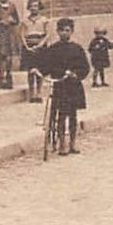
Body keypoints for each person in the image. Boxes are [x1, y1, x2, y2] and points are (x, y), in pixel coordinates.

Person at [33, 18, 90, 154]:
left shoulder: (77, 49)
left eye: (67, 30)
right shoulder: (53, 49)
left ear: (71, 32)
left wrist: (76, 74)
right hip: (59, 85)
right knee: (61, 115)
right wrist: (38, 70)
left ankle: (72, 143)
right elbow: (46, 64)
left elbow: (85, 67)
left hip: (73, 87)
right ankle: (62, 144)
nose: (64, 33)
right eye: (62, 30)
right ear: (57, 32)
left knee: (73, 115)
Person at [20, 0, 49, 103]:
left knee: (40, 70)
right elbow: (22, 34)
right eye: (31, 6)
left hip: (40, 47)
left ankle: (39, 93)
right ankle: (32, 93)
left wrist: (41, 44)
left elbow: (48, 34)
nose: (34, 8)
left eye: (36, 6)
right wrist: (27, 47)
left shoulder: (44, 20)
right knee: (31, 71)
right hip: (29, 47)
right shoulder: (25, 20)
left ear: (39, 7)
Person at [0, 0, 20, 90]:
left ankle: (9, 76)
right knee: (2, 56)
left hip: (10, 33)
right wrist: (1, 22)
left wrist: (12, 21)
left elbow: (17, 20)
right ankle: (2, 77)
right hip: (0, 33)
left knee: (9, 57)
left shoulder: (12, 6)